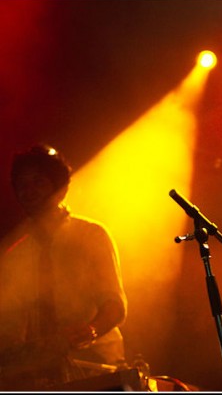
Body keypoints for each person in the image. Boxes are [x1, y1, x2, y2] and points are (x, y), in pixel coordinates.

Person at [0, 144, 128, 390]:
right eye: (22, 184)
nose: (29, 191)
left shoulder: (91, 235)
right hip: (37, 373)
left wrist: (90, 331)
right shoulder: (13, 252)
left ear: (61, 188)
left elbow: (115, 305)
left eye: (38, 182)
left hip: (95, 366)